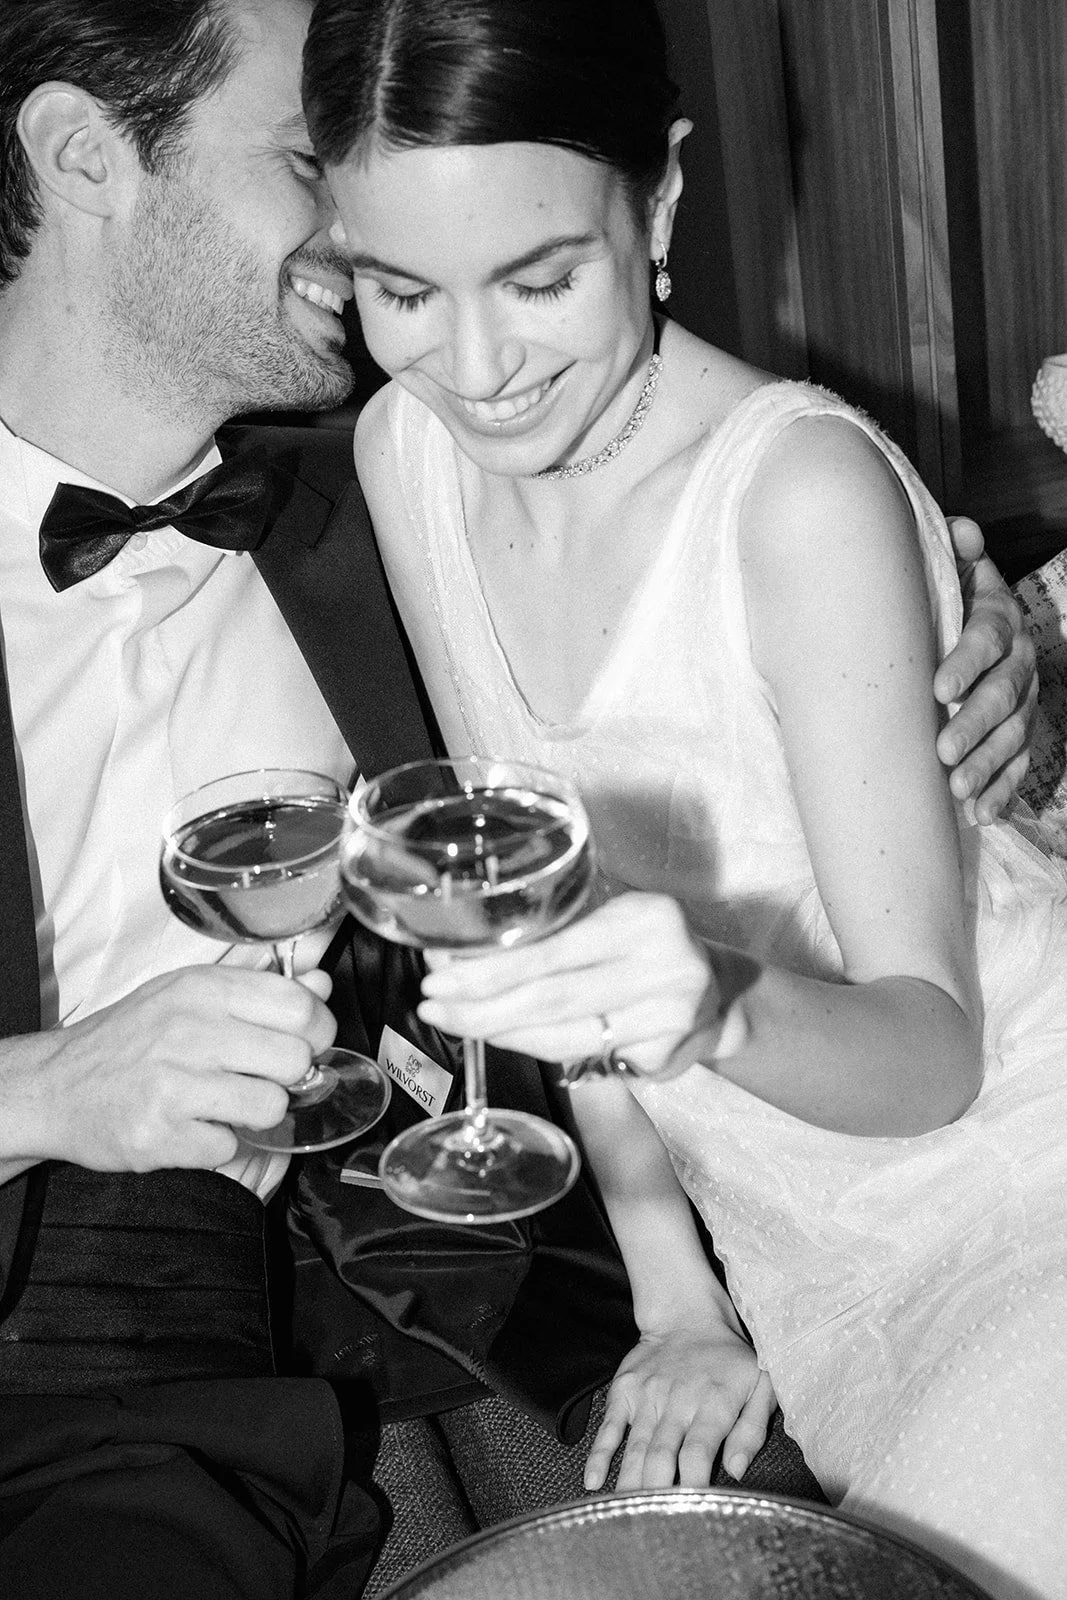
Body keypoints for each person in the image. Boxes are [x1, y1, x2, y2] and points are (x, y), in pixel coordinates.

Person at [301, 2, 1067, 1595]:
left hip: (1017, 1178)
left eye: (539, 280)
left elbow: (932, 1056)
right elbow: (539, 929)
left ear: (654, 204)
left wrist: (710, 1001)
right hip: (806, 1261)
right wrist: (673, 1295)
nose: (479, 372)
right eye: (401, 292)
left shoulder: (797, 497)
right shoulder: (403, 451)